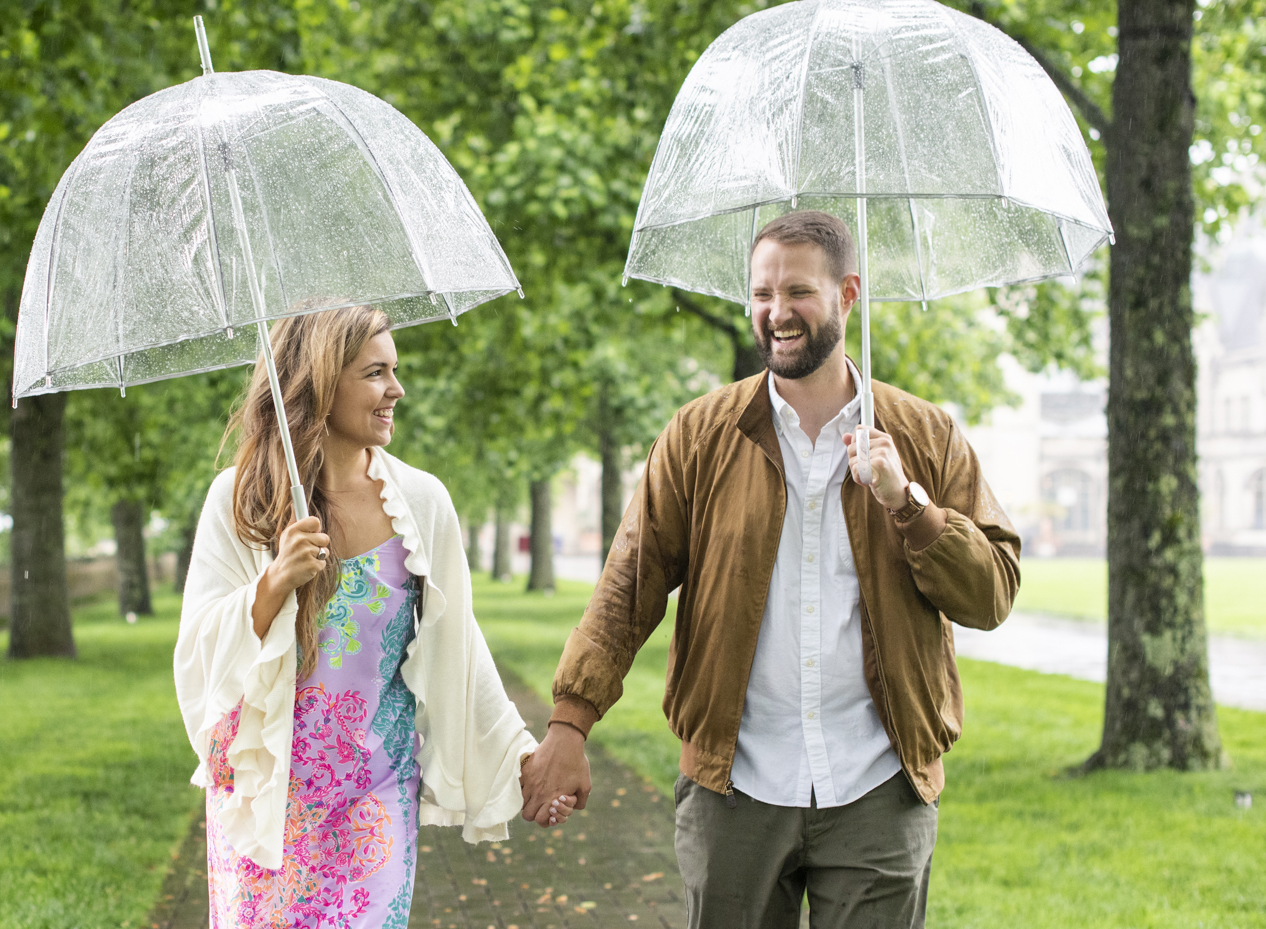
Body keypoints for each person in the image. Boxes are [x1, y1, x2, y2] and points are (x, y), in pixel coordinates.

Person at [520, 210, 1020, 928]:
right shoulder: (699, 435)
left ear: (848, 295)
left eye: (798, 292)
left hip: (880, 786)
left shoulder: (925, 434)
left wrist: (906, 502)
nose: (776, 312)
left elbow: (992, 592)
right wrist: (570, 722)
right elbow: (628, 588)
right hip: (735, 787)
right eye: (761, 293)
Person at [174, 305, 574, 928]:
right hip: (268, 796)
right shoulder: (239, 496)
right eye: (376, 373)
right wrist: (274, 582)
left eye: (395, 370)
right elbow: (198, 652)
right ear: (322, 383)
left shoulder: (422, 501)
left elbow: (457, 647)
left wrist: (522, 765)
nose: (397, 389)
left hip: (375, 796)